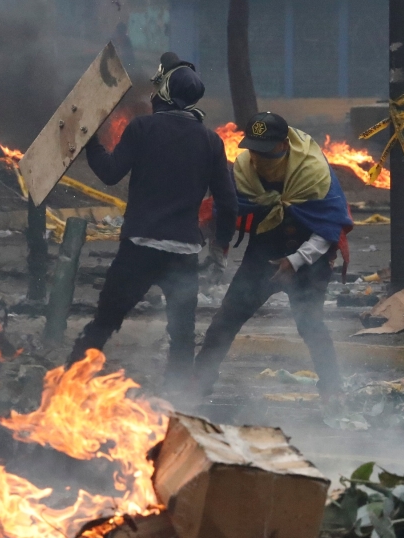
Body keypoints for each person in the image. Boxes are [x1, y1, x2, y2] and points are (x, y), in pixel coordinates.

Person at [66, 52, 238, 380]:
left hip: (139, 248)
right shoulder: (211, 141)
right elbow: (228, 204)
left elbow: (110, 173)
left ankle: (67, 383)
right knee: (182, 338)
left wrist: (91, 142)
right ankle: (179, 404)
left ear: (166, 94)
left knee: (104, 323)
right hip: (183, 253)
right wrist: (220, 248)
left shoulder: (142, 128)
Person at [194, 112, 353, 398]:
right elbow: (225, 210)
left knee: (311, 326)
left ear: (284, 145)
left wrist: (295, 261)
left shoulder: (312, 170)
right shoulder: (243, 170)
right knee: (226, 319)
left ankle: (333, 392)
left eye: (265, 152)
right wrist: (214, 248)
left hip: (309, 260)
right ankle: (198, 385)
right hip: (263, 255)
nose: (258, 159)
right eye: (253, 151)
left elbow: (329, 227)